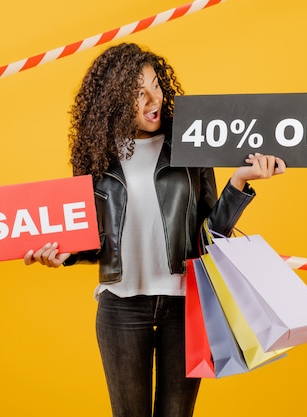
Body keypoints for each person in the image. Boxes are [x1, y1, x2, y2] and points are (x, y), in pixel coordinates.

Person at [24, 43, 286, 417]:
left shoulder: (191, 145)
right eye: (139, 93)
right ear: (113, 100)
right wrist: (65, 254)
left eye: (156, 86)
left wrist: (240, 181)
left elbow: (211, 236)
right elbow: (96, 237)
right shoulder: (95, 155)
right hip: (120, 308)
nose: (154, 99)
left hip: (184, 305)